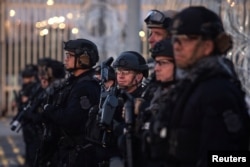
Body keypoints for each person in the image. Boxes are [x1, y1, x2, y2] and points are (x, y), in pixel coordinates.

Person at [150, 6, 250, 167]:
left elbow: (230, 157)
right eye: (175, 39)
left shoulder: (218, 91)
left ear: (207, 46)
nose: (177, 46)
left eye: (186, 39)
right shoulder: (187, 85)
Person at [43, 38, 101, 167]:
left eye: (70, 56)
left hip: (78, 154)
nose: (66, 59)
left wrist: (48, 109)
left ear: (83, 59)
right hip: (66, 151)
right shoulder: (74, 82)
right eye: (66, 55)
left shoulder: (85, 86)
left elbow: (71, 120)